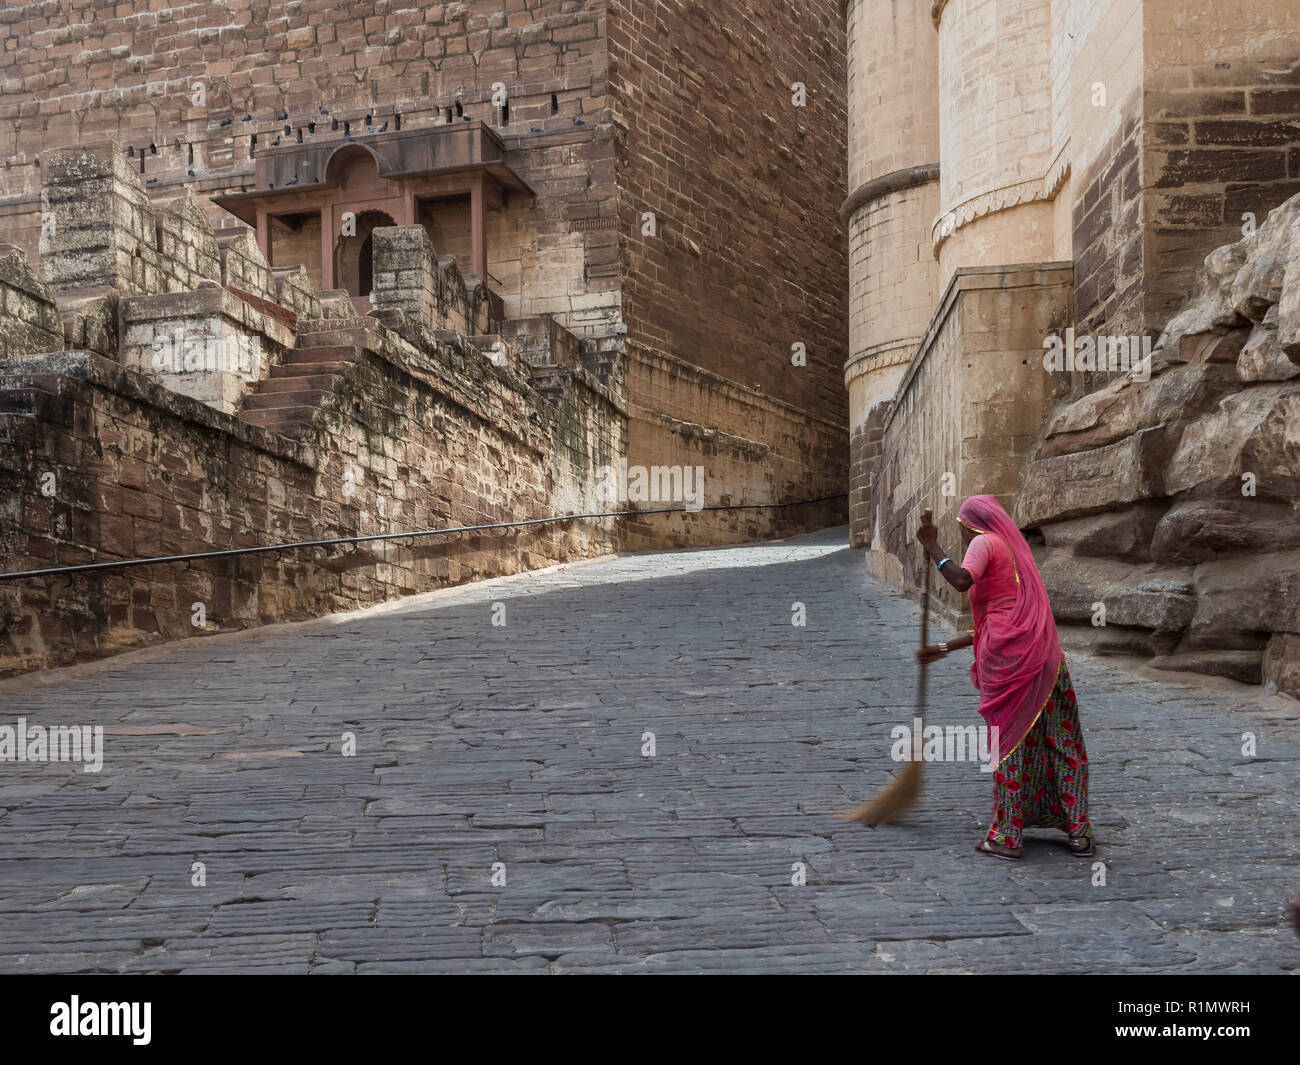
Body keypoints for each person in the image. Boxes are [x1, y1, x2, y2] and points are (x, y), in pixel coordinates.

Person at [915, 495, 1093, 861]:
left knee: (1009, 742)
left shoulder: (983, 542)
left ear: (970, 526)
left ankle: (1008, 836)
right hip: (1045, 657)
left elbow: (962, 581)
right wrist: (945, 647)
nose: (964, 537)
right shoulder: (1012, 550)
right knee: (1063, 741)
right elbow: (1003, 616)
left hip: (1010, 663)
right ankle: (1079, 833)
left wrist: (932, 545)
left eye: (962, 530)